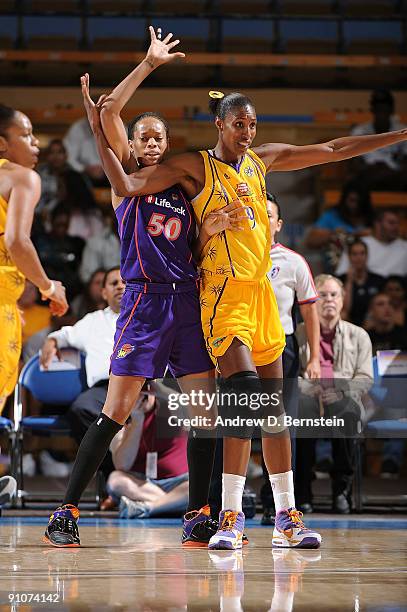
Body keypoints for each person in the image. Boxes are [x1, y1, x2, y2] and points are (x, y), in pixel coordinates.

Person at [86, 27, 407, 549]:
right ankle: (231, 518)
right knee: (244, 399)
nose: (248, 132)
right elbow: (129, 182)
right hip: (219, 296)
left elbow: (332, 147)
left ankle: (286, 518)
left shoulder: (263, 162)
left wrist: (396, 137)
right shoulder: (196, 166)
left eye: (253, 125)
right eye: (239, 124)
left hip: (262, 298)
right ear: (219, 124)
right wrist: (110, 116)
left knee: (272, 413)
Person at [44, 31, 244, 549]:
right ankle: (66, 510)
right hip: (143, 302)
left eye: (159, 137)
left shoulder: (179, 188)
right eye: (144, 138)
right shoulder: (124, 181)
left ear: (166, 144)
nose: (152, 143)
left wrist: (212, 228)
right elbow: (110, 108)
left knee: (206, 411)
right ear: (130, 146)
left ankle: (198, 514)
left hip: (187, 299)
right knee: (117, 411)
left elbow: (194, 252)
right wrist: (150, 64)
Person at [0, 103, 68, 414]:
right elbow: (16, 240)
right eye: (26, 135)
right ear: (2, 144)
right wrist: (48, 286)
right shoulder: (22, 177)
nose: (35, 142)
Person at [260, 192, 320, 524]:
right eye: (260, 213)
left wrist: (312, 356)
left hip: (282, 348)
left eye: (270, 215)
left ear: (279, 224)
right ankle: (220, 502)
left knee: (281, 428)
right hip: (239, 346)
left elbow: (309, 309)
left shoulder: (293, 261)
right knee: (232, 425)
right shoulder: (235, 255)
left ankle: (277, 505)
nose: (264, 219)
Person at [295, 275, 373, 513]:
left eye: (334, 295)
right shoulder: (298, 334)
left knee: (347, 410)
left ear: (342, 300)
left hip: (343, 399)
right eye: (323, 295)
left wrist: (341, 390)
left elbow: (365, 377)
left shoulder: (358, 335)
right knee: (302, 410)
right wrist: (309, 388)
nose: (329, 300)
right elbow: (289, 376)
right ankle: (302, 492)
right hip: (310, 398)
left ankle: (342, 490)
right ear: (312, 301)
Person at [40, 266, 124, 481]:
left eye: (124, 281)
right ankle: (113, 473)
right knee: (80, 409)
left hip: (139, 387)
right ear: (103, 292)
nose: (120, 286)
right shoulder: (92, 321)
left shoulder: (146, 316)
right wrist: (52, 340)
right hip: (102, 391)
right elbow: (65, 334)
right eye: (113, 283)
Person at [108, 381, 189, 519]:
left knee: (198, 486)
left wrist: (160, 390)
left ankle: (147, 508)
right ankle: (173, 504)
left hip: (180, 482)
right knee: (115, 480)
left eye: (144, 393)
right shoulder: (121, 417)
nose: (141, 397)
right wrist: (137, 420)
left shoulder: (170, 406)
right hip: (142, 485)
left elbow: (194, 409)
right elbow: (122, 464)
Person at [305, 181, 372, 272]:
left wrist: (359, 235)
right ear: (344, 199)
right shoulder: (332, 216)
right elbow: (310, 240)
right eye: (352, 200)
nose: (355, 205)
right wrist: (334, 234)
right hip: (336, 271)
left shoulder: (371, 218)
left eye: (359, 202)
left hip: (368, 272)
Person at [350, 88, 407, 190]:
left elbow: (405, 161)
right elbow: (355, 162)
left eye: (385, 108)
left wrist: (390, 170)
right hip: (368, 176)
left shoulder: (402, 131)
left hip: (395, 177)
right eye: (378, 108)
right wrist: (370, 170)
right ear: (372, 109)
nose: (381, 112)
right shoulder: (360, 131)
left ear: (391, 110)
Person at [36, 138, 96, 221]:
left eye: (59, 152)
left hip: (71, 220)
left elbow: (86, 203)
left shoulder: (75, 177)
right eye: (51, 152)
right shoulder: (39, 175)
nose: (56, 157)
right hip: (39, 217)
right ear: (46, 156)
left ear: (66, 155)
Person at [336, 209, 407, 278]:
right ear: (377, 224)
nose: (396, 227)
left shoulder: (405, 247)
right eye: (391, 223)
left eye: (398, 223)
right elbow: (342, 275)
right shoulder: (358, 245)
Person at [34, 204, 85, 300]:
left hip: (70, 291)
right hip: (44, 288)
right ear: (51, 221)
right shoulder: (39, 240)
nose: (62, 228)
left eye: (65, 225)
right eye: (59, 224)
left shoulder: (77, 244)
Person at [340, 239, 384, 327]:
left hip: (373, 322)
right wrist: (349, 282)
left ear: (367, 256)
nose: (359, 257)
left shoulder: (378, 280)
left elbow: (382, 305)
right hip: (349, 323)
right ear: (349, 257)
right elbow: (344, 309)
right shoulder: (340, 280)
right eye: (354, 254)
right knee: (342, 315)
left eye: (362, 253)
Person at [79, 206, 120, 283]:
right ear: (109, 218)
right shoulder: (95, 242)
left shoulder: (139, 239)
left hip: (133, 289)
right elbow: (88, 277)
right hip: (105, 289)